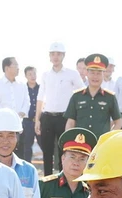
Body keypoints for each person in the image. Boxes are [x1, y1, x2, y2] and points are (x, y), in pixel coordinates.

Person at [35, 41, 84, 176]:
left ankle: (64, 177)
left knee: (65, 150)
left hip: (65, 118)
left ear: (63, 56)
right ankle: (47, 179)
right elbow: (40, 97)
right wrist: (37, 119)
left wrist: (76, 115)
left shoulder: (72, 74)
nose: (55, 57)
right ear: (49, 56)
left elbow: (81, 93)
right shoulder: (45, 74)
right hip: (47, 116)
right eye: (53, 54)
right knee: (47, 150)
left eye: (58, 54)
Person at [65, 54, 122, 140]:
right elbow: (70, 122)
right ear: (87, 73)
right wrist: (69, 139)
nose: (95, 77)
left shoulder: (110, 97)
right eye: (92, 73)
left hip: (101, 144)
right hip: (81, 144)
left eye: (99, 73)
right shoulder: (77, 96)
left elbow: (118, 122)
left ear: (103, 74)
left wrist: (108, 138)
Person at [18, 66, 40, 162]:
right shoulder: (23, 89)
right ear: (26, 76)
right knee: (27, 147)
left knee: (45, 145)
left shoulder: (41, 88)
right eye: (30, 74)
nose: (33, 76)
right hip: (27, 122)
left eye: (34, 73)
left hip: (40, 122)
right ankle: (27, 168)